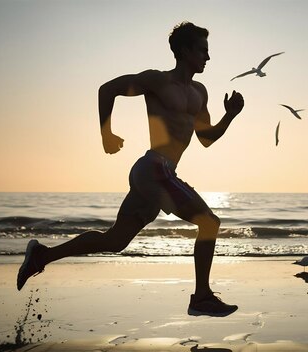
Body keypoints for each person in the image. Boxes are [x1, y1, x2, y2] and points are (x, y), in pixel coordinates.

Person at [17, 22, 244, 317]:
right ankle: (201, 297)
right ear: (185, 50)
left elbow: (205, 139)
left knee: (115, 241)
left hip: (161, 174)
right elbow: (107, 89)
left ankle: (42, 255)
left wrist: (229, 116)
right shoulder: (157, 81)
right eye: (203, 51)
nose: (207, 58)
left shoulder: (200, 92)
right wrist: (106, 133)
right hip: (154, 168)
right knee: (209, 223)